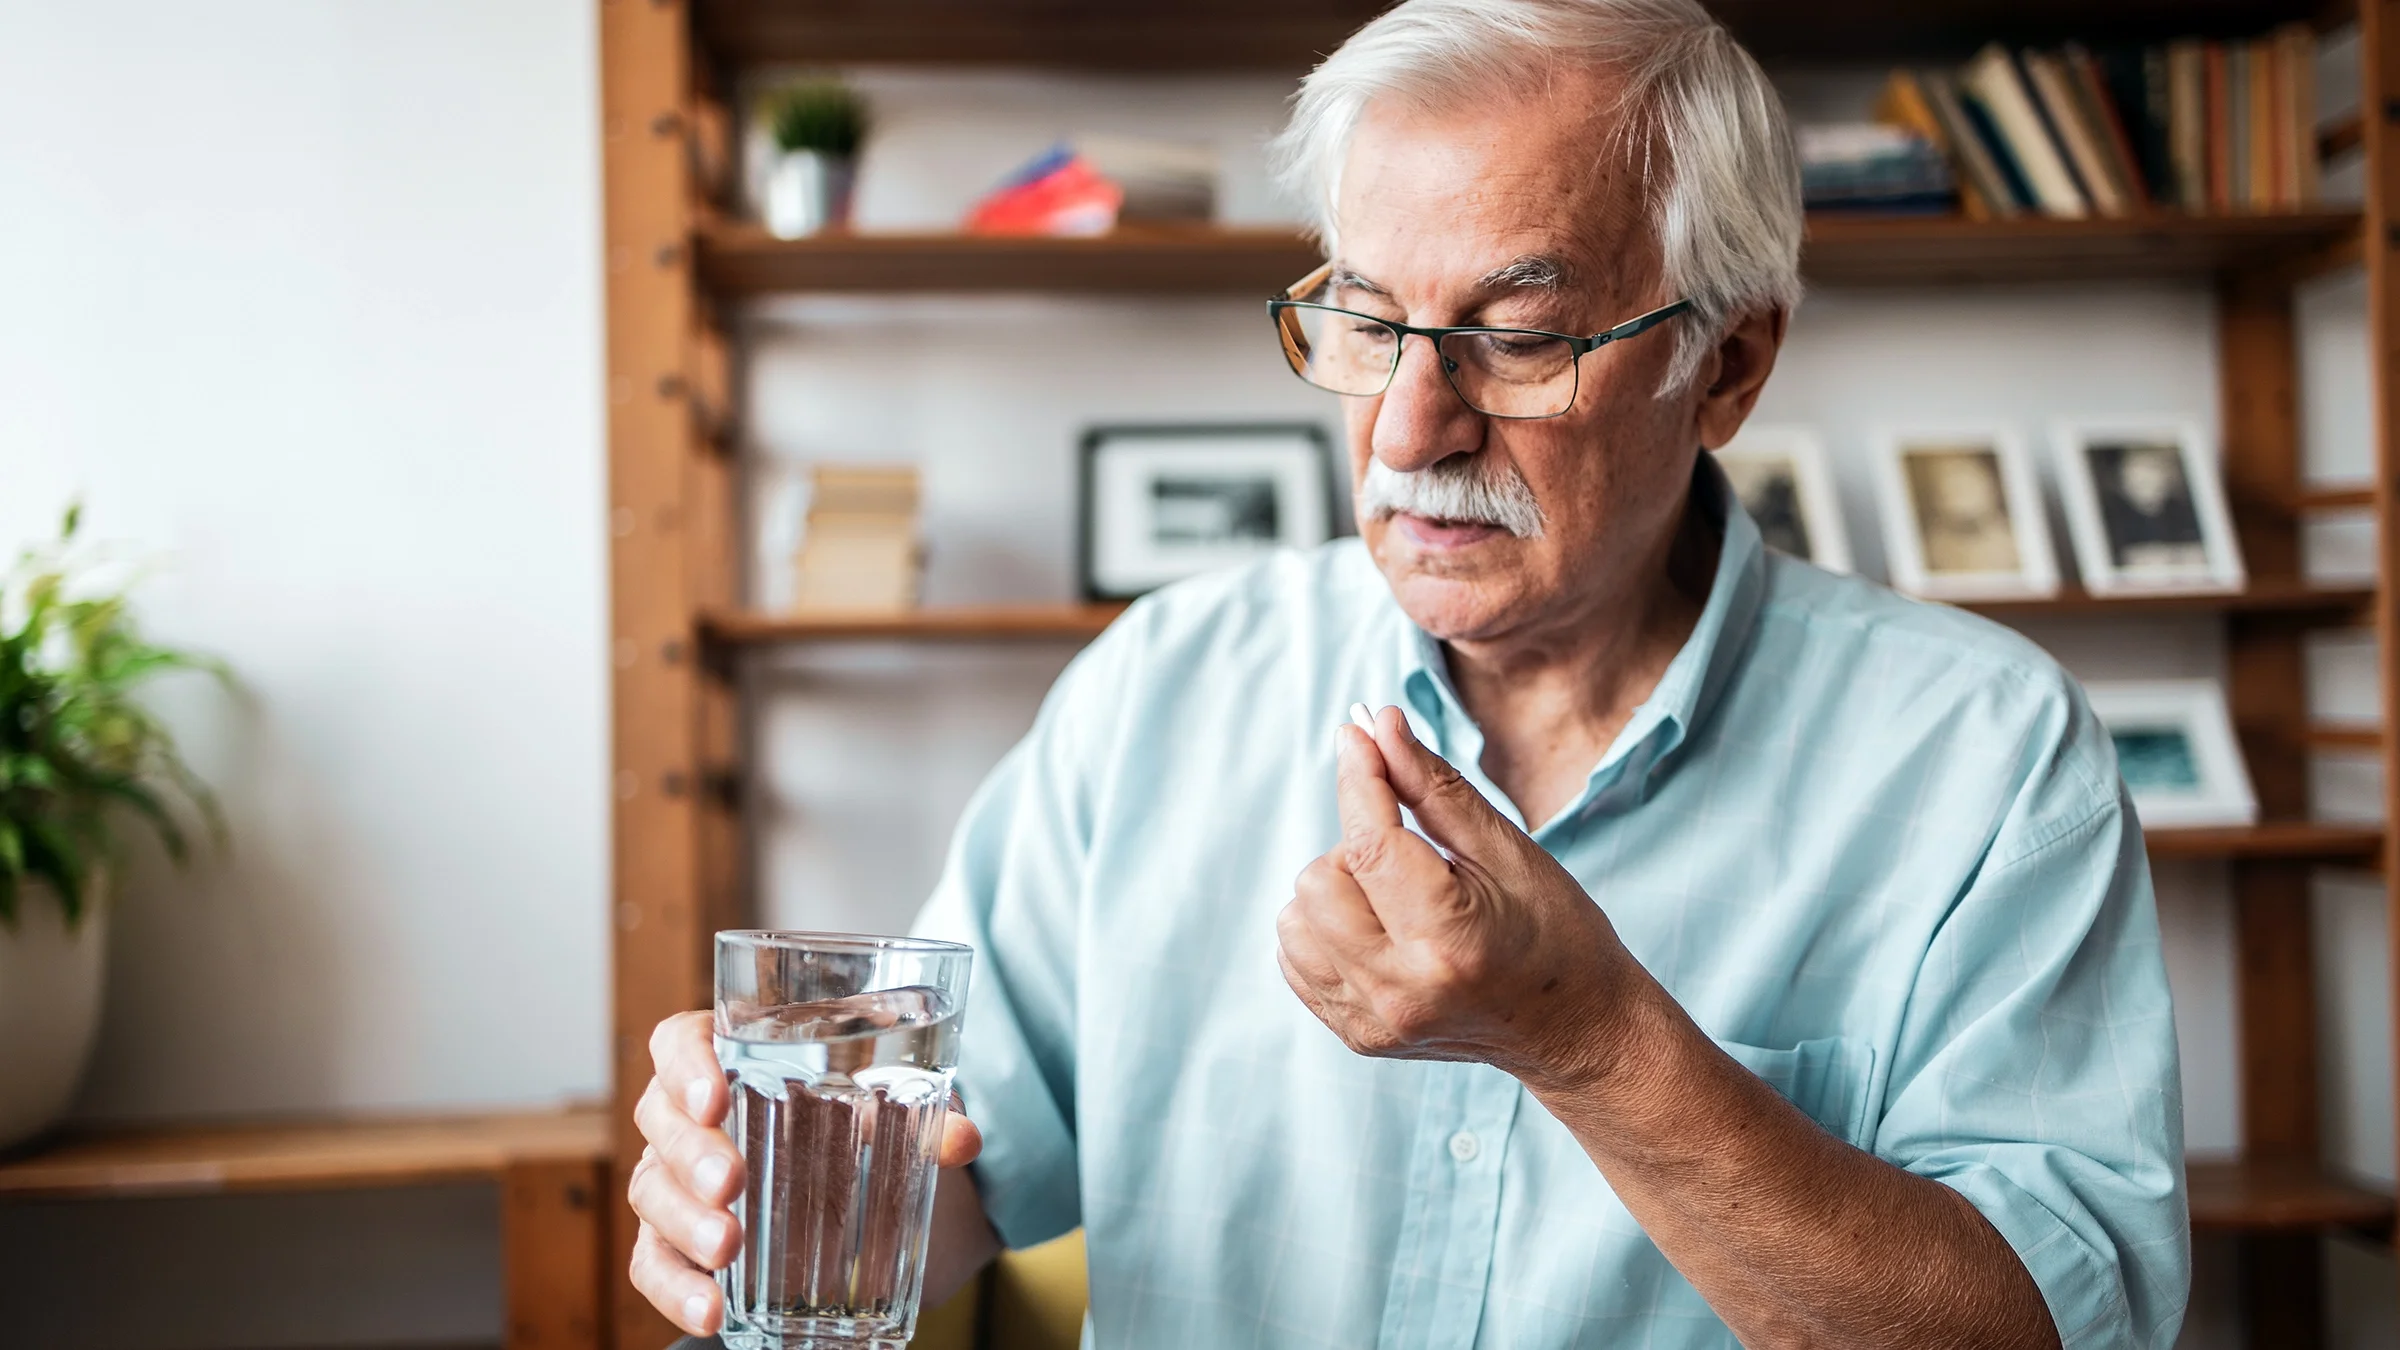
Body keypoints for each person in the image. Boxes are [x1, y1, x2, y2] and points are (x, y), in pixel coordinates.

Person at [630, 1, 2187, 1345]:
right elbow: (941, 1182)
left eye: (1518, 338)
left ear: (1727, 364)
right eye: (1369, 322)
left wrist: (1595, 1042)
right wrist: (756, 1191)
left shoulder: (1986, 758)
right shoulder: (1160, 689)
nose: (1406, 429)